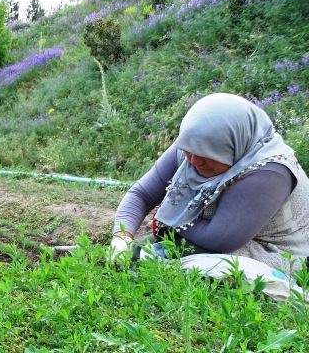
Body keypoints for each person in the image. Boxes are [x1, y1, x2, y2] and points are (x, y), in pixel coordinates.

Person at [110, 93, 309, 274]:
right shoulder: (192, 145)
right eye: (189, 151)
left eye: (208, 154)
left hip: (274, 251)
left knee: (173, 256)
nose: (195, 161)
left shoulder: (270, 172)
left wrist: (169, 217)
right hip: (209, 237)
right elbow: (141, 194)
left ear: (234, 145)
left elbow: (220, 239)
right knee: (144, 250)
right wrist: (121, 235)